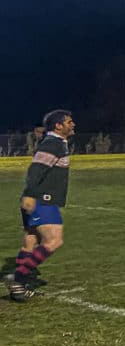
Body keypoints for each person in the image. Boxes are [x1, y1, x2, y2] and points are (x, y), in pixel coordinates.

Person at [4, 110, 75, 302]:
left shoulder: (56, 143)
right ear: (58, 126)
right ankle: (17, 279)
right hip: (42, 199)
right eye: (69, 122)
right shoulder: (54, 144)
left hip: (37, 198)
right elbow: (35, 170)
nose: (73, 124)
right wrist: (30, 195)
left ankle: (19, 288)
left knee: (31, 240)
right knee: (54, 240)